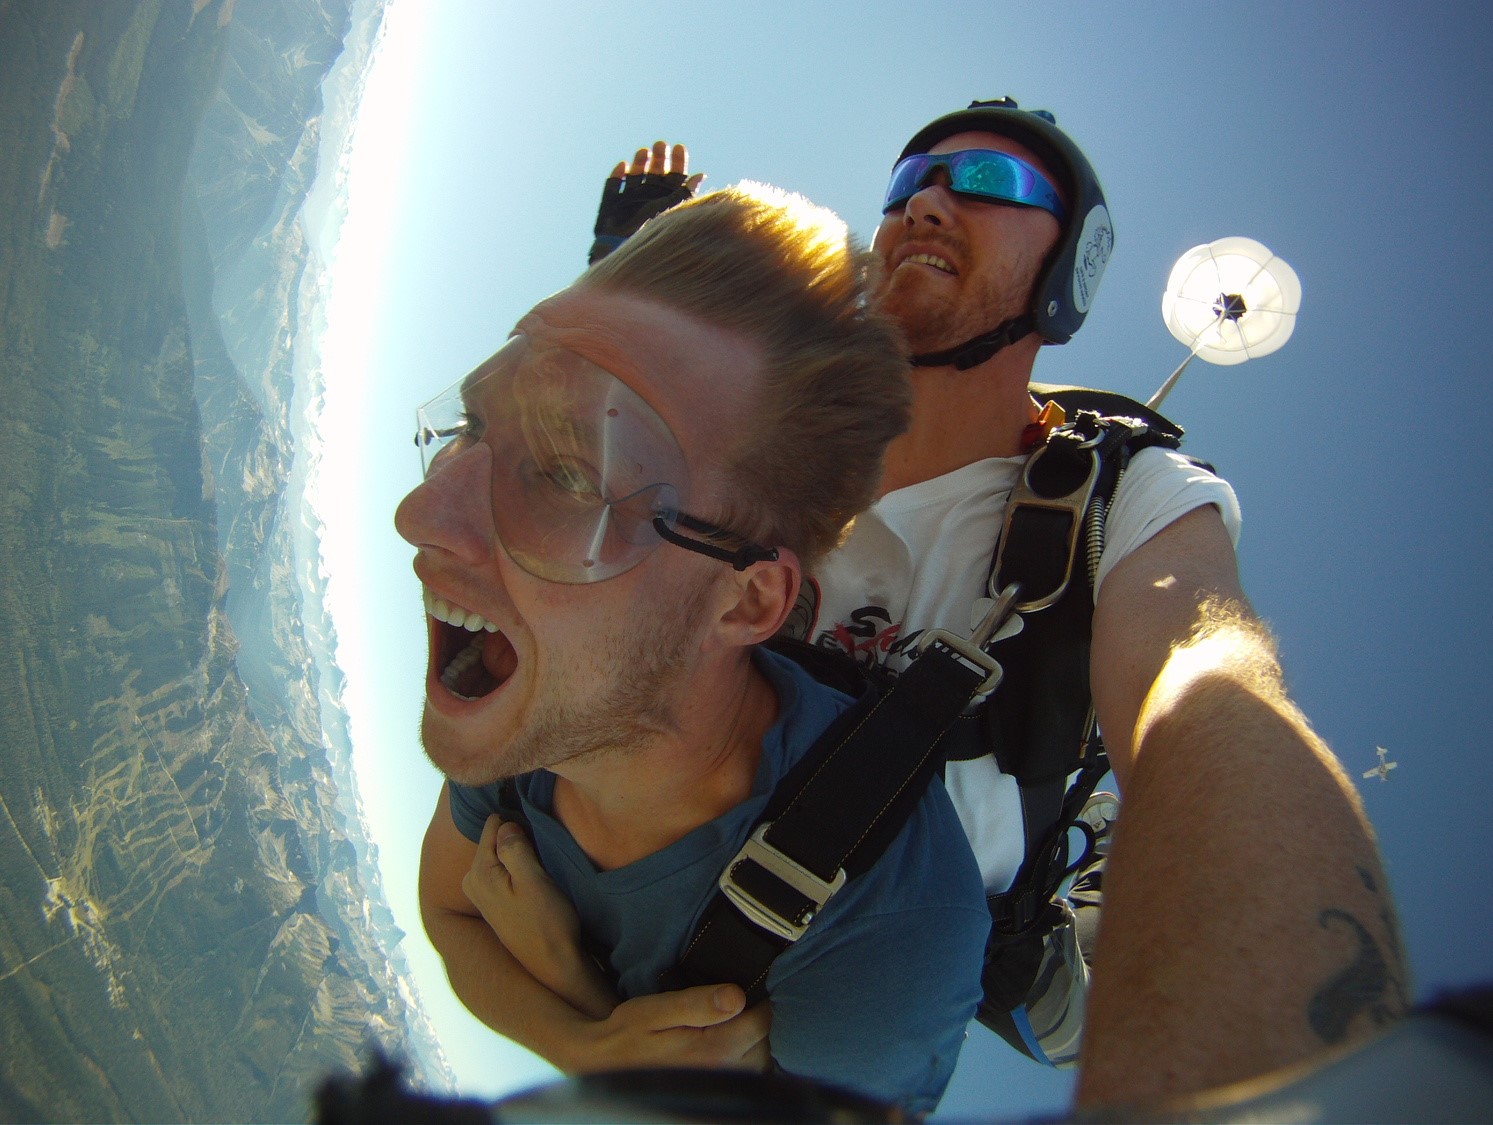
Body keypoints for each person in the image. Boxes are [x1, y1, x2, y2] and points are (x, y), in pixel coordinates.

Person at [481, 102, 1410, 1108]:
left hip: (850, 992)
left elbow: (1205, 681)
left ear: (1065, 274)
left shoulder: (1117, 493)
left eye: (990, 183)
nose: (926, 200)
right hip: (649, 923)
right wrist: (631, 278)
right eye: (908, 183)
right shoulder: (755, 438)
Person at [403, 182, 992, 1115]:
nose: (420, 518)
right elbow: (452, 911)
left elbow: (466, 913)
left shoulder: (883, 940)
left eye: (568, 476)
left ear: (747, 599)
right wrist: (585, 1039)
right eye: (474, 430)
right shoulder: (536, 700)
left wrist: (576, 989)